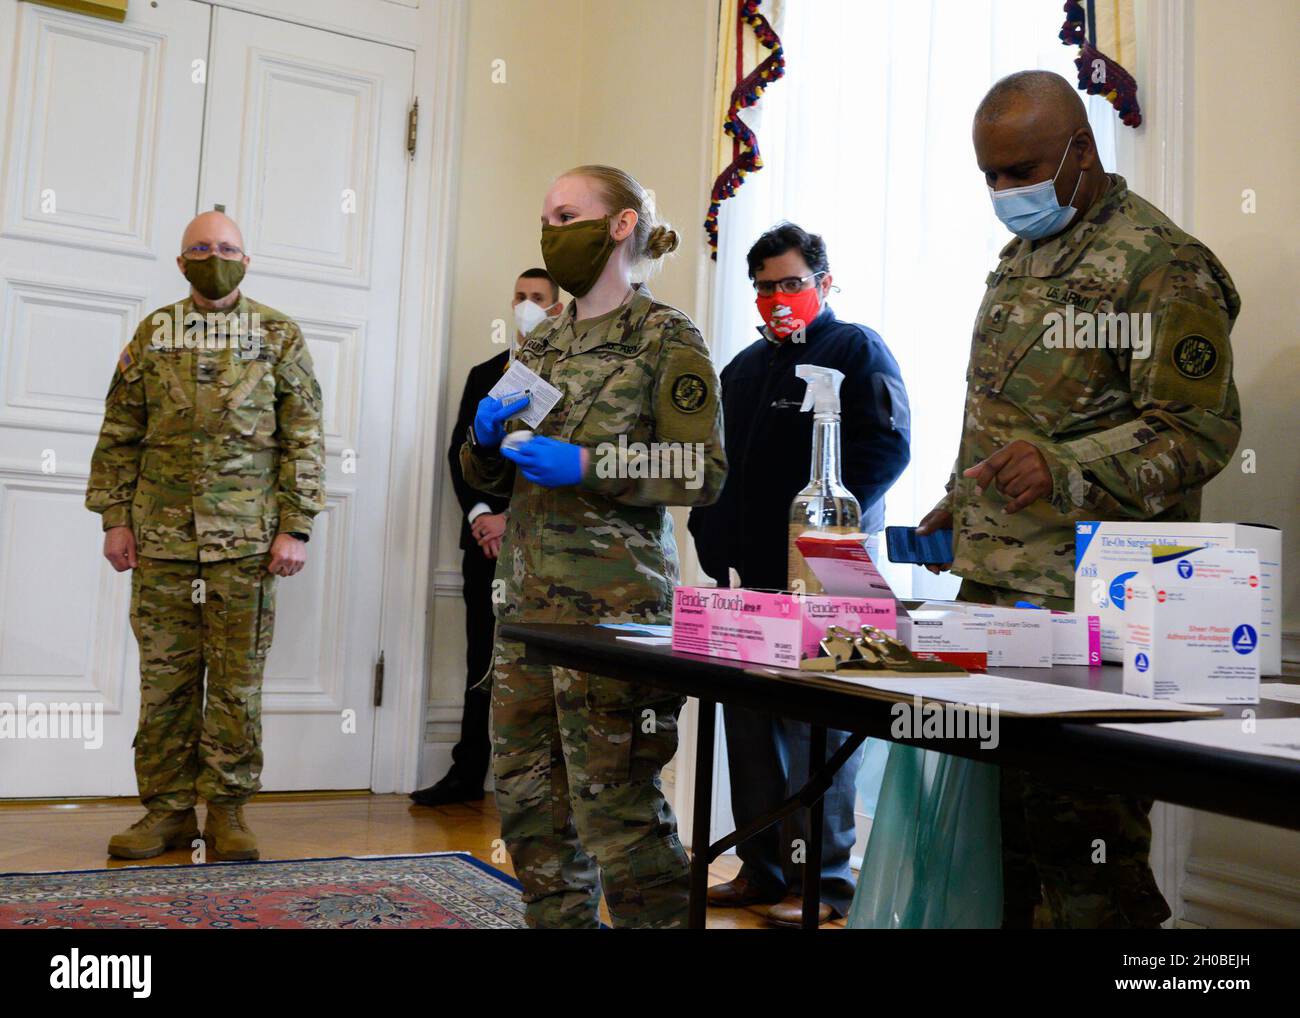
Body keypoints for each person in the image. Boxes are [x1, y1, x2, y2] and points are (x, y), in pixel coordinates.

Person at [916, 70, 1241, 928]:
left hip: (1102, 611)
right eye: (989, 176)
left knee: (1089, 858)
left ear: (1082, 151)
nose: (1004, 193)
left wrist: (1064, 470)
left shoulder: (1161, 264)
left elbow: (1197, 434)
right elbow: (1010, 413)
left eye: (1020, 170)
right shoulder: (1026, 256)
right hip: (999, 599)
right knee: (1004, 850)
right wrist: (963, 502)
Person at [461, 164, 727, 928]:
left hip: (615, 614)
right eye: (545, 215)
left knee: (615, 807)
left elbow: (703, 471)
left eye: (567, 213)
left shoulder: (666, 338)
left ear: (618, 226)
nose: (550, 229)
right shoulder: (543, 346)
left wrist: (590, 465)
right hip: (526, 609)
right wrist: (481, 442)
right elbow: (492, 467)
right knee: (527, 802)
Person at [688, 222, 910, 925]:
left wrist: (823, 536)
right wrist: (710, 534)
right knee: (750, 727)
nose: (777, 297)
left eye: (790, 283)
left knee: (817, 731)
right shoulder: (746, 368)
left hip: (828, 580)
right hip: (749, 581)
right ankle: (760, 871)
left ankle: (826, 886)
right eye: (764, 287)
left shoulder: (857, 349)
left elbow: (889, 449)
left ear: (822, 281)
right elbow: (717, 468)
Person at [87, 210, 325, 861]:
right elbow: (119, 431)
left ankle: (227, 811)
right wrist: (115, 518)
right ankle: (164, 811)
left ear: (246, 261)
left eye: (226, 248)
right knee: (164, 685)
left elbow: (303, 439)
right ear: (180, 260)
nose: (213, 256)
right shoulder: (154, 334)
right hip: (161, 544)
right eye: (201, 247)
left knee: (236, 686)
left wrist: (295, 527)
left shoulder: (279, 336)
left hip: (246, 547)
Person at [411, 268, 562, 807]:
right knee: (483, 660)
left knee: (543, 663)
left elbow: (552, 464)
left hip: (542, 548)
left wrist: (510, 518)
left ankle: (537, 786)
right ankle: (467, 771)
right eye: (519, 295)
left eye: (537, 298)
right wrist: (480, 513)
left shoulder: (571, 377)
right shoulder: (485, 374)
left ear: (557, 309)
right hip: (484, 546)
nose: (526, 305)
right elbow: (463, 452)